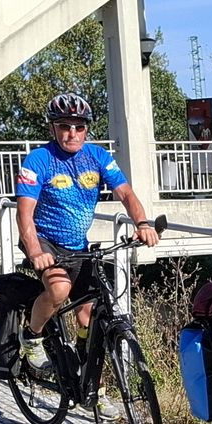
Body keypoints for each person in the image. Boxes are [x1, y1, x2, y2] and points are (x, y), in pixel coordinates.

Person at [14, 91, 160, 373]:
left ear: (86, 129)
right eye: (64, 126)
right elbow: (24, 214)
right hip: (45, 240)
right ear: (52, 128)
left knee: (90, 315)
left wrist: (142, 224)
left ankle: (89, 381)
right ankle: (32, 337)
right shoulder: (39, 159)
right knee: (59, 289)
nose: (72, 133)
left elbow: (126, 194)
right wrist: (34, 251)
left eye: (79, 127)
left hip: (77, 244)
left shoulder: (97, 156)